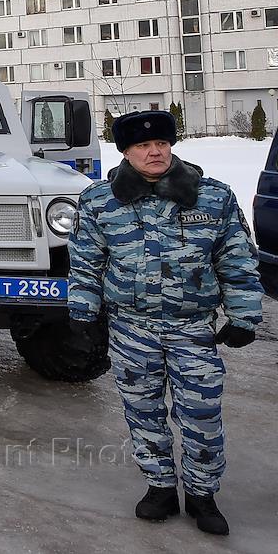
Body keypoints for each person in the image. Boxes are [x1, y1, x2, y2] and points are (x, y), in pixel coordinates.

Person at [68, 110, 263, 536]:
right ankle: (159, 486)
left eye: (161, 143)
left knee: (202, 412)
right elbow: (85, 263)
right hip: (131, 329)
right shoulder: (100, 201)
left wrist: (244, 315)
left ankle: (202, 493)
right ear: (126, 152)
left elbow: (236, 258)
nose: (154, 152)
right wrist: (83, 313)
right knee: (143, 410)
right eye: (142, 145)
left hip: (192, 328)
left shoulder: (213, 197)